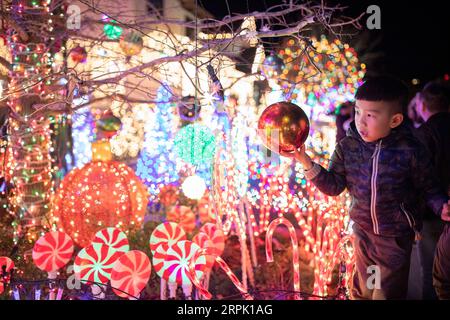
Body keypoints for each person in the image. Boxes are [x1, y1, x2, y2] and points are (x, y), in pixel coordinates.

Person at [281, 76, 450, 299]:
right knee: (366, 289)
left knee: (385, 293)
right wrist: (306, 163)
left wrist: (441, 207)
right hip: (363, 237)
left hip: (394, 240)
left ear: (395, 120)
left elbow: (428, 187)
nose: (361, 121)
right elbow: (334, 185)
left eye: (370, 115)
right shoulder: (348, 147)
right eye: (358, 112)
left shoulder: (411, 150)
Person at [415, 81, 450, 299]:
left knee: (431, 273)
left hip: (431, 214)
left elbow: (418, 179)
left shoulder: (422, 135)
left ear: (423, 106)